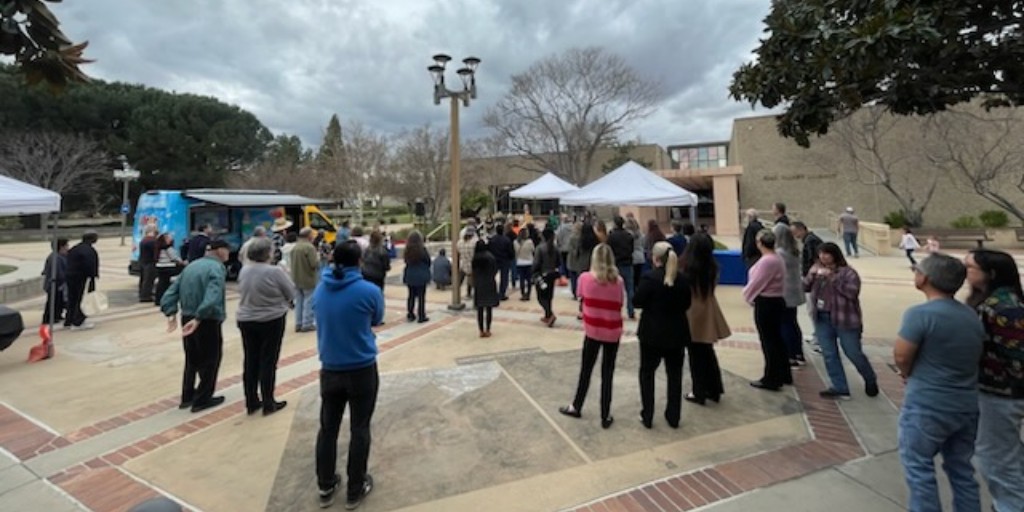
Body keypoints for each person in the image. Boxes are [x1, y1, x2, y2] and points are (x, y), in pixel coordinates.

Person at [894, 253, 985, 512]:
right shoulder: (970, 316)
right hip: (965, 405)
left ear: (925, 278)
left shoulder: (919, 315)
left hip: (927, 404)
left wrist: (906, 372)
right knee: (961, 470)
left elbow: (901, 355)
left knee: (918, 469)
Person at [313, 240, 383, 510]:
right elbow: (376, 319)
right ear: (359, 261)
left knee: (328, 429)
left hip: (330, 367)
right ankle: (355, 487)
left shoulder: (320, 290)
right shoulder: (369, 290)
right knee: (360, 427)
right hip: (361, 367)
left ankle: (325, 483)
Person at [963, 249, 1024, 511]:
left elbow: (1018, 359)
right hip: (990, 390)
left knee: (995, 459)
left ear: (991, 274)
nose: (965, 273)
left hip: (1002, 394)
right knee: (1004, 454)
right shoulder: (987, 301)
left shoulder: (1005, 307)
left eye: (970, 268)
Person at [558, 243, 624, 429]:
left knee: (586, 370)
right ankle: (605, 414)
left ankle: (576, 405)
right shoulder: (618, 281)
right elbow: (619, 303)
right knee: (607, 373)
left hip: (593, 330)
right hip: (612, 330)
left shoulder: (585, 279)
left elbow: (581, 297)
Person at [160, 239, 230, 413]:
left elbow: (171, 292)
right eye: (227, 251)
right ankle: (203, 399)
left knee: (192, 359)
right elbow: (212, 295)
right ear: (220, 251)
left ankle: (187, 396)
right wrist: (200, 316)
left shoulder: (190, 267)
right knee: (210, 360)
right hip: (206, 319)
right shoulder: (216, 268)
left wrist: (170, 312)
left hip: (187, 316)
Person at [804, 243, 878, 399]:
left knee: (853, 352)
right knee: (829, 353)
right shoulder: (817, 270)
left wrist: (832, 277)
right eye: (821, 254)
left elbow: (852, 293)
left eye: (827, 254)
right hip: (822, 317)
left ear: (835, 255)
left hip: (845, 319)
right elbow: (805, 287)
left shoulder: (849, 273)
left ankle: (870, 378)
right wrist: (811, 275)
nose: (823, 257)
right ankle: (839, 386)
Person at [633, 241, 691, 429]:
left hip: (652, 334)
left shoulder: (650, 279)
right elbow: (687, 303)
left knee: (647, 373)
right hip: (676, 333)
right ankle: (673, 416)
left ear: (655, 258)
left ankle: (647, 414)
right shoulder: (682, 279)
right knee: (674, 375)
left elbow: (637, 301)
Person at [236, 238, 294, 416]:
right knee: (268, 360)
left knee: (250, 360)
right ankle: (269, 402)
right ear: (267, 253)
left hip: (246, 318)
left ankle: (251, 401)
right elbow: (290, 291)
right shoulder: (274, 271)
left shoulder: (245, 270)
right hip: (271, 318)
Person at [682, 233, 731, 405]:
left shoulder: (687, 268)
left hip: (691, 312)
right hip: (708, 310)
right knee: (707, 351)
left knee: (695, 355)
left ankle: (699, 392)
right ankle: (714, 388)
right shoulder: (712, 268)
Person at [742, 230, 791, 391]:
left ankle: (772, 377)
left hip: (768, 302)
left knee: (769, 340)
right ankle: (783, 373)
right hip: (776, 301)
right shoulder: (776, 258)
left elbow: (757, 282)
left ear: (759, 243)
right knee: (776, 339)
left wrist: (747, 296)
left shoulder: (768, 261)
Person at [775, 226, 807, 367]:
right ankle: (798, 353)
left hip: (784, 293)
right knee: (793, 323)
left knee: (785, 324)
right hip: (795, 292)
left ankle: (790, 355)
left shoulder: (780, 253)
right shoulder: (794, 251)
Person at [65, 231, 100, 330]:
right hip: (82, 277)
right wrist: (93, 276)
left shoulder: (75, 248)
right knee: (83, 299)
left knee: (72, 298)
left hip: (70, 276)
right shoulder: (89, 250)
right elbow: (89, 265)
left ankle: (69, 319)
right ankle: (78, 321)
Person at [290, 228, 320, 333]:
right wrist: (320, 259)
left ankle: (298, 323)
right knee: (309, 300)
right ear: (309, 236)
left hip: (296, 278)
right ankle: (307, 323)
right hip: (308, 278)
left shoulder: (295, 247)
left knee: (299, 301)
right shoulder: (309, 247)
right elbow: (314, 264)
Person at [607, 216, 636, 320]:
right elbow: (632, 249)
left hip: (615, 264)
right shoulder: (629, 236)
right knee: (630, 289)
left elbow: (609, 250)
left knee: (614, 289)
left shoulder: (611, 236)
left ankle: (615, 310)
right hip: (627, 263)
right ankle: (631, 310)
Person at [533, 227, 560, 327]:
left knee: (541, 297)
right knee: (549, 296)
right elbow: (559, 262)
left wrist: (533, 272)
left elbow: (536, 263)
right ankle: (547, 315)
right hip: (552, 274)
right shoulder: (555, 247)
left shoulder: (540, 248)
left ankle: (550, 314)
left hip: (541, 275)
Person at [402, 230, 431, 323]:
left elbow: (406, 261)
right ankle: (421, 315)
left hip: (410, 275)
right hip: (421, 275)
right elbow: (428, 261)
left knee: (411, 296)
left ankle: (410, 314)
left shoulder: (407, 250)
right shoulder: (422, 250)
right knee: (421, 297)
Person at [472, 240, 499, 337]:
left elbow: (473, 272)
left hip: (479, 284)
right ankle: (488, 329)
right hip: (489, 283)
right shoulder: (490, 257)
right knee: (489, 308)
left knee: (480, 309)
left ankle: (481, 330)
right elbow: (495, 269)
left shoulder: (475, 258)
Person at [41, 238, 69, 327]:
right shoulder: (55, 258)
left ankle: (57, 315)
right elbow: (58, 273)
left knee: (59, 302)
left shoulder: (61, 256)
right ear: (61, 247)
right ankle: (49, 318)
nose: (68, 248)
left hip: (59, 284)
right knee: (53, 301)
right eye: (66, 246)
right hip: (55, 284)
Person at [154, 233, 186, 306]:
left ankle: (158, 299)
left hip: (159, 267)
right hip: (168, 267)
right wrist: (182, 262)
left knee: (161, 283)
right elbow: (175, 258)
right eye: (169, 238)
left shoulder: (158, 248)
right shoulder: (168, 248)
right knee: (165, 284)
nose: (171, 239)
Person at [488, 224, 514, 300]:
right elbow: (510, 251)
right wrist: (511, 258)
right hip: (504, 260)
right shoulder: (507, 240)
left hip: (494, 260)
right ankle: (502, 294)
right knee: (504, 278)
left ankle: (492, 292)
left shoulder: (492, 240)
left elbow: (489, 249)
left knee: (492, 277)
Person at [138, 225, 159, 302]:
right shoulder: (152, 241)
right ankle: (146, 296)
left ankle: (142, 294)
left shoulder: (143, 240)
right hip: (150, 262)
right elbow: (156, 252)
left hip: (142, 261)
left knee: (143, 279)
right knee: (148, 280)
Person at [514, 229, 535, 301]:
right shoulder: (530, 242)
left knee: (521, 279)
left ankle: (523, 294)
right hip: (529, 262)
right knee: (529, 280)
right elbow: (533, 250)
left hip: (519, 262)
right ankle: (528, 294)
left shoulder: (515, 242)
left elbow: (515, 252)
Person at [457, 228, 477, 298]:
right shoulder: (474, 243)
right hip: (472, 264)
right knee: (472, 282)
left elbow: (458, 254)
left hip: (463, 264)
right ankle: (470, 294)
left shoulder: (459, 243)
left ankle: (456, 294)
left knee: (460, 280)